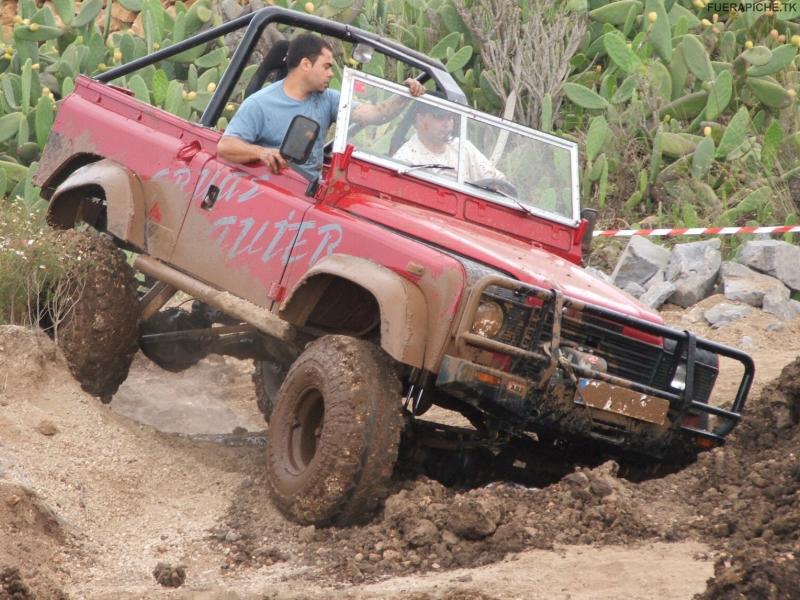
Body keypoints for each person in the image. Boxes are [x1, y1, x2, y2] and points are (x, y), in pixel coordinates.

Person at [217, 33, 425, 180]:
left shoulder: (328, 99)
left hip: (312, 190)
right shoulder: (259, 103)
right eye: (326, 67)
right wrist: (261, 153)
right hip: (274, 187)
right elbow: (225, 146)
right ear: (306, 65)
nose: (331, 73)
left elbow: (376, 114)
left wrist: (406, 94)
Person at [393, 101, 505, 182]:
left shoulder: (463, 148)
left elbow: (497, 181)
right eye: (439, 117)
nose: (446, 124)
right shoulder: (404, 159)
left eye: (450, 117)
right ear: (421, 119)